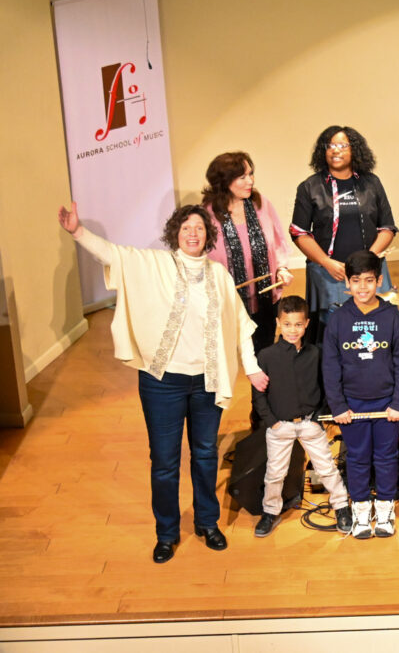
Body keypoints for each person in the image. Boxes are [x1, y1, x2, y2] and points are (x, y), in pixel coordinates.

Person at [57, 202, 268, 564]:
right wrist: (77, 231)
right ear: (175, 233)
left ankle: (207, 523)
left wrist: (251, 367)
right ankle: (167, 534)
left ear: (208, 235)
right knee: (165, 461)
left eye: (199, 228)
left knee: (206, 455)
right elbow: (111, 254)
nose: (192, 233)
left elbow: (239, 326)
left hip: (207, 381)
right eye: (186, 228)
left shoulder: (219, 274)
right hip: (163, 383)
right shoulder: (153, 264)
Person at [322, 250, 399, 539]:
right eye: (356, 280)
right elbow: (330, 366)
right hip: (352, 405)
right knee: (358, 458)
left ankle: (385, 508)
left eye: (369, 280)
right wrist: (338, 405)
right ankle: (360, 508)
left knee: (386, 458)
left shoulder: (392, 316)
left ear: (379, 280)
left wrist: (398, 402)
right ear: (347, 282)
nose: (363, 287)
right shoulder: (338, 319)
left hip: (387, 404)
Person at [252, 296, 352, 537]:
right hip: (280, 426)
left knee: (326, 468)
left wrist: (318, 417)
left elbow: (326, 387)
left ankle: (341, 506)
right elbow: (258, 395)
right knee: (275, 473)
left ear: (307, 323)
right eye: (287, 324)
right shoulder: (266, 356)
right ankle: (270, 511)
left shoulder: (316, 354)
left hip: (310, 423)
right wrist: (272, 422)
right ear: (278, 322)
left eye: (298, 324)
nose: (292, 330)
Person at [290, 126, 398, 338]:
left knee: (374, 333)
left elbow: (387, 227)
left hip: (369, 272)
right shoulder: (309, 187)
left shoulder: (372, 183)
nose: (335, 150)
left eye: (342, 145)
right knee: (333, 335)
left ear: (354, 150)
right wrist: (326, 262)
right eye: (330, 145)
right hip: (329, 273)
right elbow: (299, 232)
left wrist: (368, 260)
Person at [202, 152, 293, 355]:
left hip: (265, 297)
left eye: (251, 174)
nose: (250, 181)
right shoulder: (207, 214)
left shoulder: (262, 204)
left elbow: (278, 241)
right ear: (224, 181)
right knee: (230, 356)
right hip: (227, 302)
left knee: (264, 352)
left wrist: (282, 269)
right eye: (242, 177)